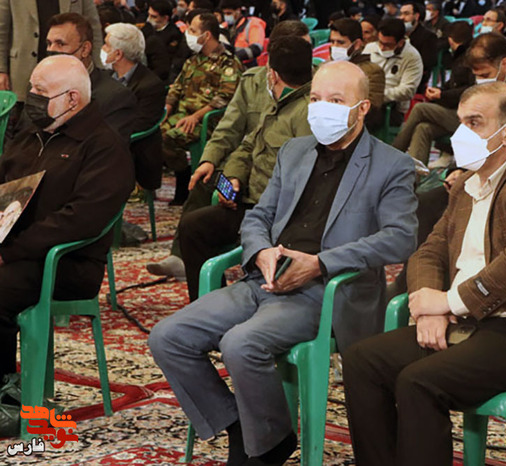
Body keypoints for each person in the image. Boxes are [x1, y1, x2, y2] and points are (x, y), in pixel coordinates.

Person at [148, 60, 418, 466]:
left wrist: (321, 263)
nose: (321, 108)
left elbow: (401, 237)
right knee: (168, 336)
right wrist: (261, 251)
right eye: (316, 99)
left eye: (335, 101)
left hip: (326, 291)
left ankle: (265, 447)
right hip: (264, 277)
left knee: (241, 344)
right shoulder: (295, 151)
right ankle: (247, 429)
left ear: (362, 108)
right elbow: (259, 215)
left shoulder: (391, 164)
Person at [342, 82, 506, 466]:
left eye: (474, 122)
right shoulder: (466, 183)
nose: (461, 132)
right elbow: (429, 251)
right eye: (461, 121)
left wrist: (449, 302)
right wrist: (429, 308)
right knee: (361, 361)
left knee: (418, 382)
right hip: (463, 320)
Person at [0, 54, 134, 386]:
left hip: (65, 262)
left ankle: (6, 389)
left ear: (72, 99)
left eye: (40, 92)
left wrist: (9, 251)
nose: (31, 97)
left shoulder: (104, 148)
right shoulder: (32, 134)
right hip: (16, 249)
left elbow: (78, 221)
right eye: (31, 88)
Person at [149, 33, 314, 296]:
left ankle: (218, 302)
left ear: (272, 74)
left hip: (275, 214)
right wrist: (234, 179)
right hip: (250, 200)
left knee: (199, 227)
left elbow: (299, 183)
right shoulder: (277, 104)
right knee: (194, 224)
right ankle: (207, 304)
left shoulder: (306, 113)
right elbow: (247, 146)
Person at [161, 12, 243, 205]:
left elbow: (225, 98)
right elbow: (177, 87)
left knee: (167, 137)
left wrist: (196, 117)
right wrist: (166, 110)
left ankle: (185, 182)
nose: (187, 34)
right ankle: (183, 174)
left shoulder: (228, 63)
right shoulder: (193, 61)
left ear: (206, 35)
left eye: (192, 30)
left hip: (210, 120)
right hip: (183, 115)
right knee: (153, 135)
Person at [392, 20, 475, 166]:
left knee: (420, 109)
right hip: (456, 111)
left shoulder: (470, 59)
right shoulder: (461, 57)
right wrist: (440, 91)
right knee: (423, 128)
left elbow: (470, 90)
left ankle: (393, 154)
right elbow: (455, 85)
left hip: (466, 116)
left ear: (450, 39)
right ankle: (415, 174)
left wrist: (442, 95)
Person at [46, 12, 137, 142]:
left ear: (85, 49)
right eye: (49, 43)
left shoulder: (115, 98)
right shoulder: (40, 87)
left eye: (60, 44)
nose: (51, 50)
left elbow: (106, 149)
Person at [0, 0, 103, 109]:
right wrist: (1, 70)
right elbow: (2, 30)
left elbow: (93, 27)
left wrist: (97, 69)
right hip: (23, 71)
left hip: (70, 73)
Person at [102, 22, 167, 191]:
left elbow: (139, 125)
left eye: (106, 45)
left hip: (134, 151)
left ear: (118, 54)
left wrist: (101, 134)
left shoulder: (151, 85)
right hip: (107, 142)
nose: (102, 48)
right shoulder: (106, 77)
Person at [364, 18, 423, 126]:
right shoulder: (370, 48)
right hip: (365, 97)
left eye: (388, 45)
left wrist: (378, 96)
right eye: (380, 42)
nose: (382, 48)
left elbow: (407, 90)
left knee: (363, 117)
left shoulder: (412, 57)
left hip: (391, 107)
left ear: (400, 42)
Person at [330, 18, 385, 130]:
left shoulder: (372, 71)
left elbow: (371, 108)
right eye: (332, 42)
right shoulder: (326, 68)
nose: (334, 47)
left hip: (355, 126)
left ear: (356, 44)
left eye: (340, 42)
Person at [399, 2, 438, 91]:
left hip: (415, 78)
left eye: (406, 14)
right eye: (401, 14)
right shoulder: (398, 34)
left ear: (416, 16)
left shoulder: (428, 36)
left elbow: (428, 63)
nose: (402, 18)